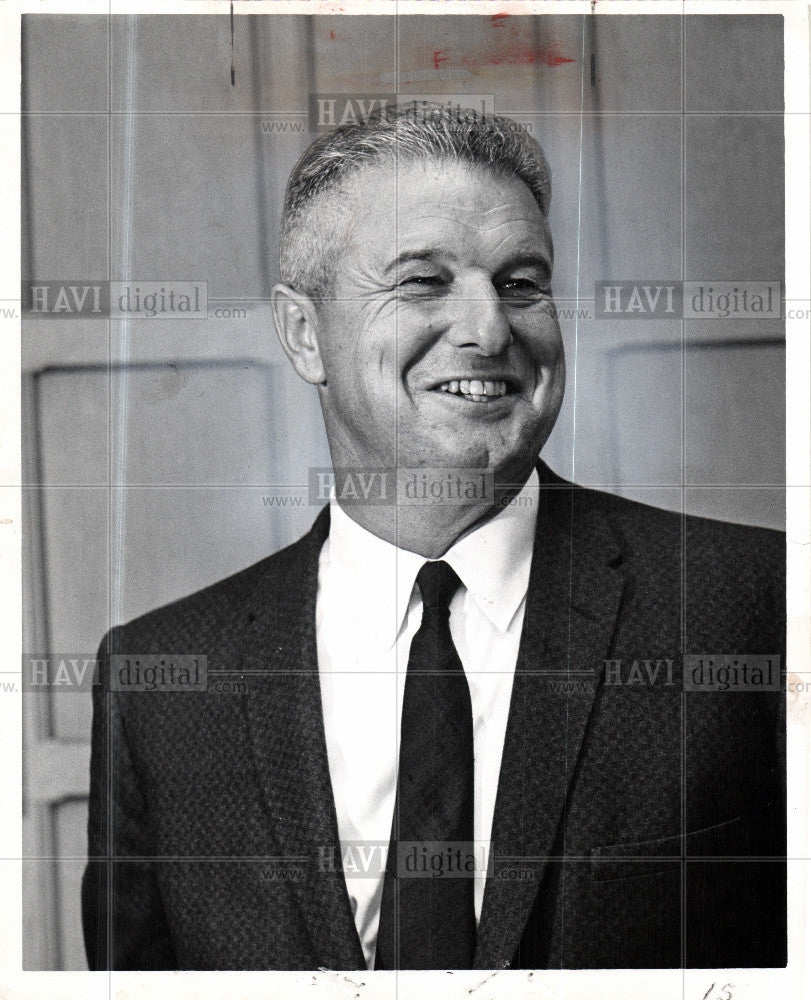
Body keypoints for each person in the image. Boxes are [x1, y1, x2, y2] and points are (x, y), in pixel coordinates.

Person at [82, 105, 786, 971]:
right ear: (306, 335)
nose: (489, 330)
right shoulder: (158, 682)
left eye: (520, 282)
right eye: (422, 282)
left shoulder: (755, 603)